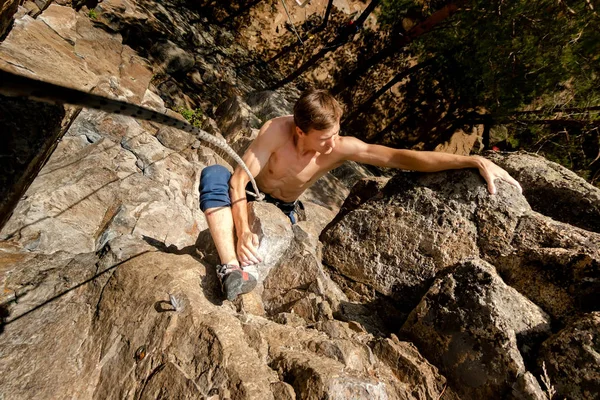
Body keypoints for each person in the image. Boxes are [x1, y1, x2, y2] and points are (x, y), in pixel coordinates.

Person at [199, 88, 522, 300]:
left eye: (336, 134)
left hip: (283, 207)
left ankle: (244, 264)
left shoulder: (340, 147)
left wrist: (474, 159)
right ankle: (231, 268)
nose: (331, 144)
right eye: (324, 138)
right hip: (255, 193)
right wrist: (242, 231)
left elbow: (400, 157)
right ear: (300, 130)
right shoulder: (276, 130)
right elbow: (240, 180)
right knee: (215, 174)